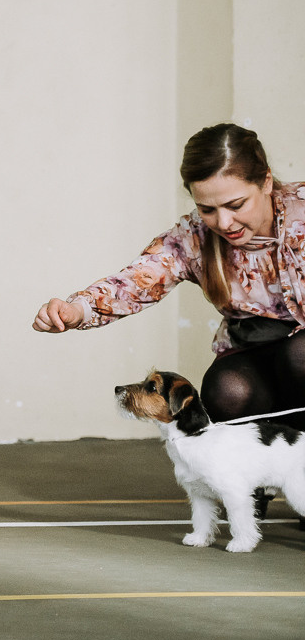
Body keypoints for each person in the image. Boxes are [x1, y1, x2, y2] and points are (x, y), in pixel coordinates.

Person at [33, 123, 305, 434]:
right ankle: (258, 478)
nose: (224, 222)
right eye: (207, 209)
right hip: (252, 352)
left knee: (300, 354)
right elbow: (137, 280)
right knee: (228, 389)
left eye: (236, 205)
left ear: (266, 181)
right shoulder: (192, 237)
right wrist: (77, 310)